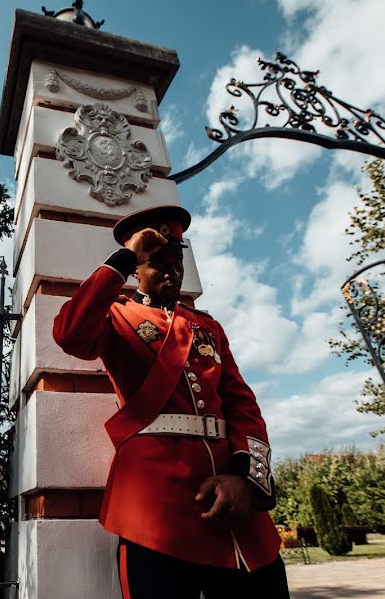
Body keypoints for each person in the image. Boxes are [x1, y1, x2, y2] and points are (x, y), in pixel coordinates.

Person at [52, 205, 290, 598]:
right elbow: (69, 333)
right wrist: (126, 255)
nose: (171, 270)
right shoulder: (116, 316)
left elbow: (242, 405)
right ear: (138, 271)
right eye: (157, 261)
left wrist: (244, 476)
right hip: (154, 504)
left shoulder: (208, 327)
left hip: (235, 504)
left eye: (177, 261)